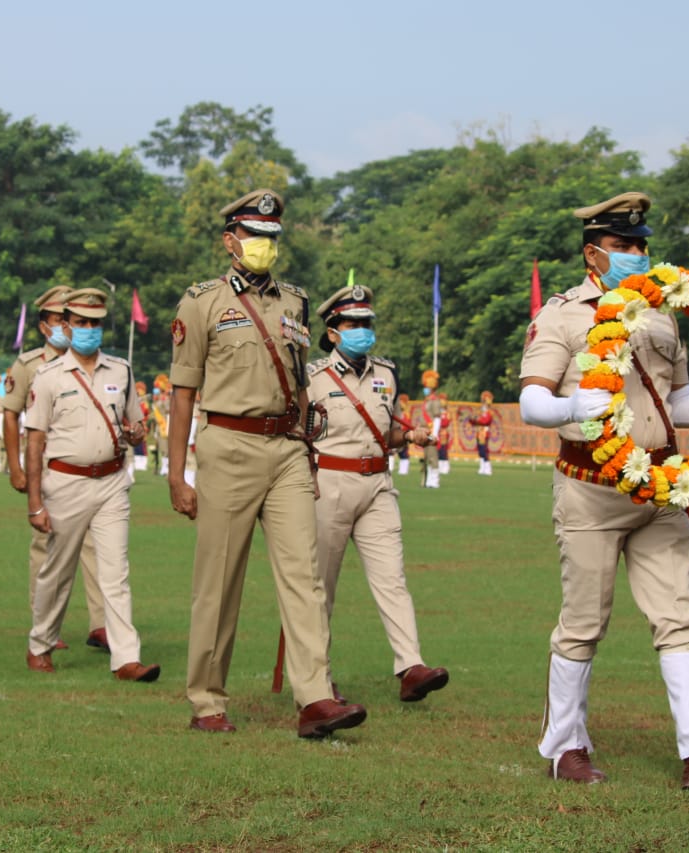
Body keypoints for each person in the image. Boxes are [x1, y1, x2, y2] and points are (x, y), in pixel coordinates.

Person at [519, 191, 689, 788]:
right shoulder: (563, 315)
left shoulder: (661, 313)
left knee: (680, 618)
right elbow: (532, 399)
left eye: (639, 244)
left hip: (659, 486)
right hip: (590, 485)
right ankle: (564, 747)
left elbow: (678, 402)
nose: (634, 253)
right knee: (583, 622)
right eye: (621, 244)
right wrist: (569, 406)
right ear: (592, 254)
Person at [169, 188, 366, 738]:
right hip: (227, 444)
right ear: (230, 239)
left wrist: (307, 450)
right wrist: (174, 473)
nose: (264, 245)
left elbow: (300, 383)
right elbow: (183, 392)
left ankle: (315, 698)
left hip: (285, 449)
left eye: (272, 236)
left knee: (305, 576)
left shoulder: (296, 302)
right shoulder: (201, 302)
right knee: (219, 581)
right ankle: (207, 700)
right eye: (255, 235)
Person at [307, 283, 449, 703]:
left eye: (367, 322)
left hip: (378, 485)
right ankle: (317, 677)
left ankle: (410, 666)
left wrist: (410, 437)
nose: (363, 330)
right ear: (333, 331)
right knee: (320, 589)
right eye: (353, 323)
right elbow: (301, 435)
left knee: (393, 579)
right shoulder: (312, 377)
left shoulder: (386, 372)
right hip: (328, 483)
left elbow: (385, 430)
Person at [23, 287, 158, 681]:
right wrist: (34, 502)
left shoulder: (121, 370)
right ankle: (40, 642)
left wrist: (136, 433)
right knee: (58, 570)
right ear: (66, 326)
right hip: (65, 482)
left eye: (95, 323)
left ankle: (126, 658)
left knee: (115, 571)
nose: (89, 330)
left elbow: (134, 424)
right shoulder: (48, 376)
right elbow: (35, 443)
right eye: (81, 323)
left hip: (113, 481)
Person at [4, 285, 109, 653]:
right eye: (58, 319)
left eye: (71, 318)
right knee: (47, 548)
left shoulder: (94, 361)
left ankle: (101, 625)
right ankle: (46, 627)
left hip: (89, 470)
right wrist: (16, 468)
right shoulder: (31, 364)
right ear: (45, 326)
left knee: (95, 547)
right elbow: (11, 413)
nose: (67, 327)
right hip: (48, 469)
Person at [419, 376, 443, 488]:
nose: (425, 389)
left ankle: (435, 480)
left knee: (433, 456)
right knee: (427, 456)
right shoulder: (427, 400)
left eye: (427, 386)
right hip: (425, 431)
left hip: (431, 430)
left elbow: (437, 418)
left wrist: (435, 433)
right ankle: (428, 480)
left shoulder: (435, 401)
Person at [468, 391, 496, 476]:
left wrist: (477, 419)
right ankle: (482, 467)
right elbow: (474, 420)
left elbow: (485, 421)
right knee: (480, 450)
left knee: (484, 450)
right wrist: (472, 419)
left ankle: (488, 468)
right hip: (479, 432)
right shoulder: (480, 411)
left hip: (484, 432)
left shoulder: (490, 412)